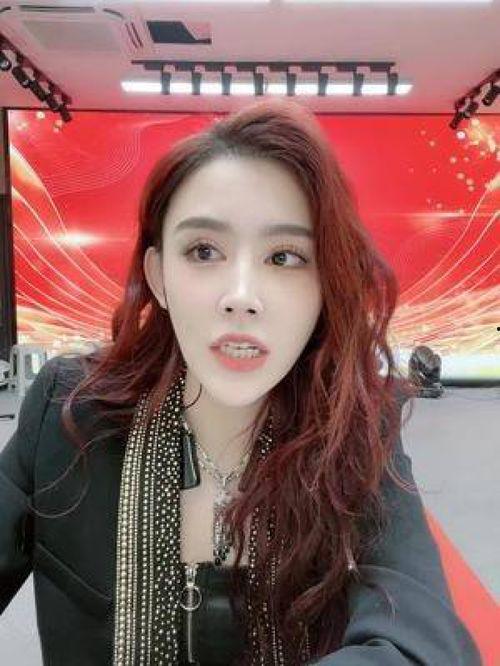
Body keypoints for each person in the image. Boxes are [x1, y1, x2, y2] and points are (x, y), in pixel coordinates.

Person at [0, 98, 482, 666]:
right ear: (159, 276)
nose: (241, 297)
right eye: (204, 251)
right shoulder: (70, 411)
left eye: (285, 257)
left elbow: (421, 645)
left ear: (326, 284)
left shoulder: (353, 429)